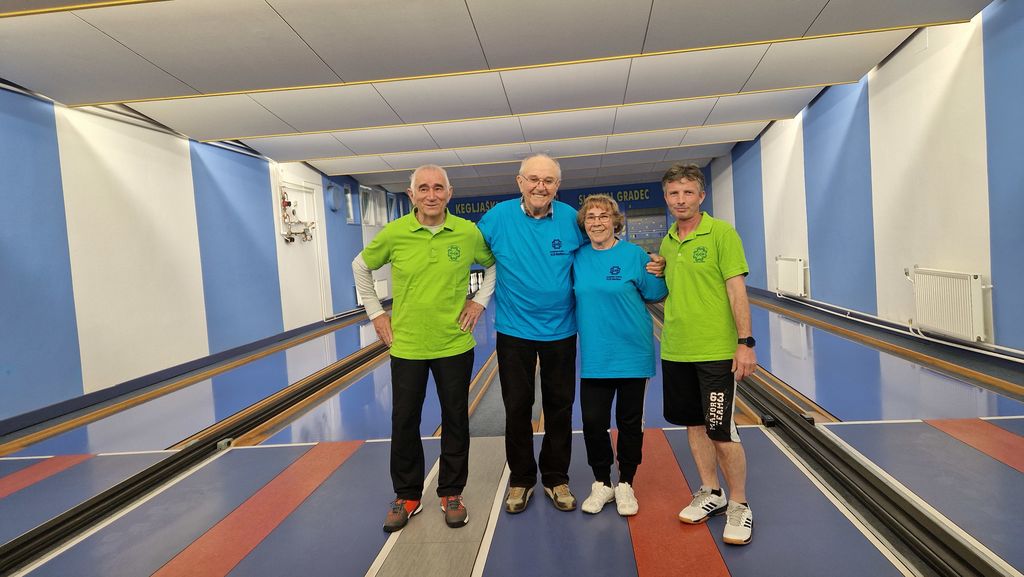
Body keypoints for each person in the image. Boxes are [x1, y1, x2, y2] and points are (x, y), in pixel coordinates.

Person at [352, 164, 496, 533]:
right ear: (412, 194)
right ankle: (407, 495)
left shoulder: (467, 232)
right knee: (404, 420)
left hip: (454, 343)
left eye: (438, 188)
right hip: (407, 345)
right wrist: (375, 314)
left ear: (449, 193)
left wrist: (479, 301)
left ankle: (451, 492)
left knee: (455, 419)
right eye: (424, 188)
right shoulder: (395, 232)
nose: (431, 195)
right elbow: (360, 266)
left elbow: (493, 265)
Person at [477, 154, 586, 513]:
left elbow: (597, 256)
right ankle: (521, 480)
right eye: (534, 179)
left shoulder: (572, 219)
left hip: (561, 330)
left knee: (560, 407)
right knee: (517, 407)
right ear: (520, 182)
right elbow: (466, 256)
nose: (541, 186)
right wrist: (474, 300)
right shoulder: (497, 218)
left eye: (549, 180)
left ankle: (556, 478)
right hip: (514, 330)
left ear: (558, 185)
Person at [658, 164, 756, 545]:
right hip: (676, 350)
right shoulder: (668, 242)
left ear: (701, 196)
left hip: (716, 352)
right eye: (673, 193)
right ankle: (711, 492)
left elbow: (736, 289)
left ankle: (740, 504)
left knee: (720, 429)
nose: (680, 200)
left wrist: (745, 342)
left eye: (688, 193)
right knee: (694, 425)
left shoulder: (722, 234)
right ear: (666, 197)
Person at [573, 194, 667, 516]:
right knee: (593, 422)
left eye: (603, 216)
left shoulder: (634, 255)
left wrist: (660, 266)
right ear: (584, 224)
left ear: (615, 222)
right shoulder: (578, 258)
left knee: (629, 423)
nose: (597, 222)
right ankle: (602, 482)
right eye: (590, 217)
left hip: (632, 353)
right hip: (596, 356)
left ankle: (626, 482)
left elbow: (656, 293)